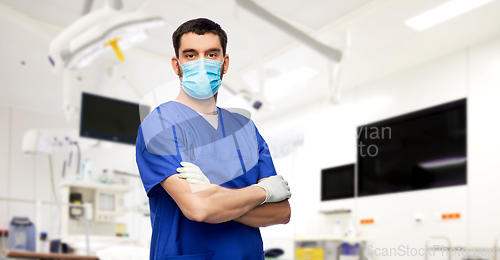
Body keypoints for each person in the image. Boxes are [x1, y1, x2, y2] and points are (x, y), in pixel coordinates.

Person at [136, 18, 292, 260]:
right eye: (190, 55)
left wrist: (214, 197)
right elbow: (199, 209)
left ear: (224, 63)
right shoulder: (159, 125)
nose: (201, 63)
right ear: (176, 65)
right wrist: (263, 192)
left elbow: (281, 213)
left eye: (211, 54)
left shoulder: (246, 129)